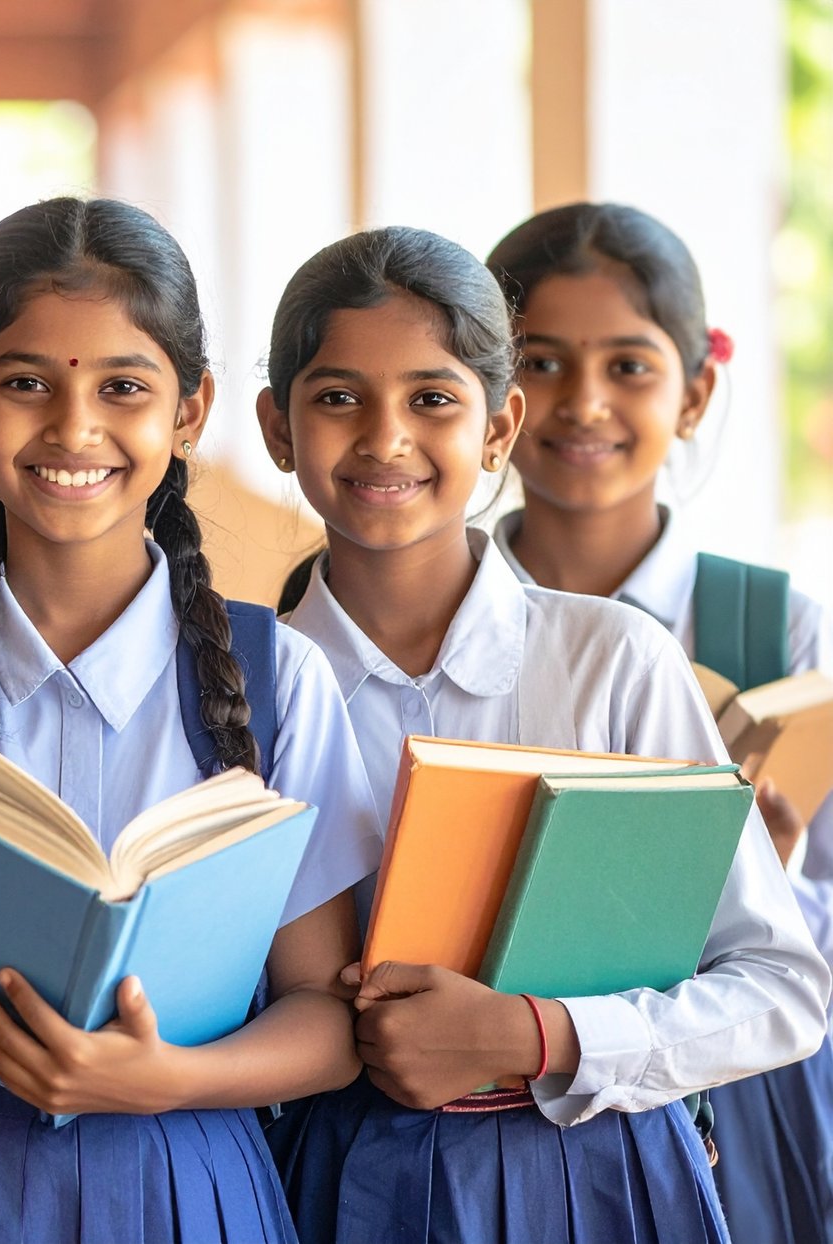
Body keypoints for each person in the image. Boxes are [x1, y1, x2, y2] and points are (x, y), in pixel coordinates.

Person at [0, 196, 381, 1244]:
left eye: (123, 388)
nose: (72, 428)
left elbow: (327, 1017)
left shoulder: (281, 677)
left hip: (188, 1177)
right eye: (24, 384)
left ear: (189, 412)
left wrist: (164, 1074)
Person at [253, 224, 829, 1244]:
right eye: (338, 396)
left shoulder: (613, 661)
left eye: (432, 398)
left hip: (601, 1174)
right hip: (328, 1177)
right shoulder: (235, 688)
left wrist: (537, 1030)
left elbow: (781, 987)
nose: (385, 436)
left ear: (497, 426)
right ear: (276, 427)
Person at [487, 200, 833, 1244]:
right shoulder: (443, 618)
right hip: (483, 1104)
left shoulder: (776, 625)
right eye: (540, 362)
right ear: (489, 395)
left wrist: (763, 879)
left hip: (736, 1093)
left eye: (628, 366)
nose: (582, 402)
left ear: (696, 390)